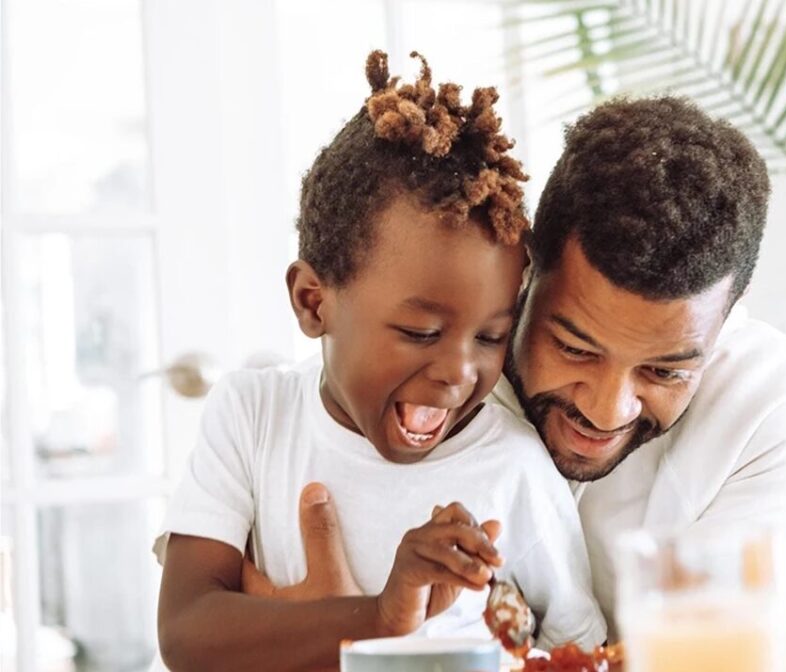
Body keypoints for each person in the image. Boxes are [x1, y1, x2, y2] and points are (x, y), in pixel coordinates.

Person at [266, 95, 786, 637]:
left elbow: (722, 653)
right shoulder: (413, 392)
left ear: (723, 324)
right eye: (575, 349)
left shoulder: (767, 401)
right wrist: (321, 630)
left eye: (663, 373)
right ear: (526, 275)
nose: (605, 411)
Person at [154, 51, 605, 672]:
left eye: (490, 336)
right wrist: (384, 617)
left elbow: (581, 651)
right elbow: (186, 632)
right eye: (421, 331)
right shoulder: (252, 417)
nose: (458, 372)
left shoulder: (514, 470)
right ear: (314, 303)